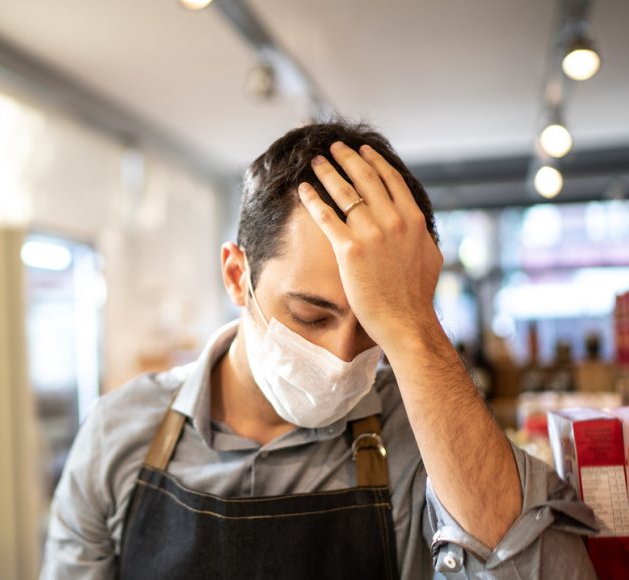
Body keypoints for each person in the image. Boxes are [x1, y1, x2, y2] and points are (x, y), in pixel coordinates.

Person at [40, 122, 597, 579]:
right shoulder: (120, 434)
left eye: (371, 325)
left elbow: (537, 569)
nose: (339, 356)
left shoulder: (426, 439)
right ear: (238, 276)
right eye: (311, 314)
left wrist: (413, 326)